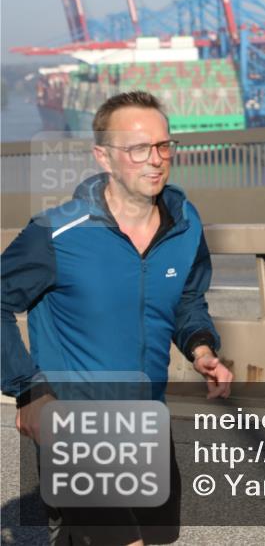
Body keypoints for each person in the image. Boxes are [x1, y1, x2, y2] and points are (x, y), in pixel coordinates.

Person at [2, 91, 233, 545]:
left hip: (146, 417)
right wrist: (28, 390)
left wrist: (201, 346)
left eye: (164, 146)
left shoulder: (185, 223)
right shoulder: (56, 233)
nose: (156, 160)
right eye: (138, 149)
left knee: (157, 538)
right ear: (104, 157)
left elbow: (187, 297)